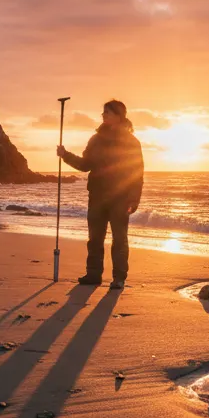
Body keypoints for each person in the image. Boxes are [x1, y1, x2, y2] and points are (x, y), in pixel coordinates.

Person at [57, 99, 145, 289]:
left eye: (108, 112)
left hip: (120, 198)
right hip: (97, 195)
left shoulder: (131, 142)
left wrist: (134, 199)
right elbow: (85, 165)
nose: (103, 115)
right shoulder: (95, 140)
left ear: (119, 116)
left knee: (119, 238)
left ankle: (119, 277)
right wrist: (65, 155)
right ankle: (93, 274)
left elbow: (137, 173)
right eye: (103, 112)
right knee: (95, 237)